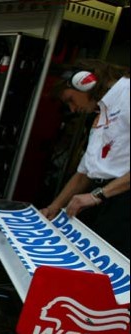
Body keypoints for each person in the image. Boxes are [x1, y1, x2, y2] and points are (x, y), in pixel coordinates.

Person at [41, 60, 129, 257]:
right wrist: (53, 208)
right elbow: (85, 173)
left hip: (119, 201)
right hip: (99, 198)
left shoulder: (127, 93)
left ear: (84, 82)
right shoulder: (102, 112)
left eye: (70, 100)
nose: (72, 109)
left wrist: (97, 195)